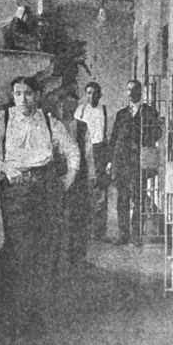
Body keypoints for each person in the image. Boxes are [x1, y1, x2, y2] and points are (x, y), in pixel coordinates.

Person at [0, 75, 80, 325]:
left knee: (47, 249)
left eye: (28, 93)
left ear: (38, 95)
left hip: (47, 188)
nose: (23, 99)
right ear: (13, 96)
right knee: (20, 251)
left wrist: (69, 177)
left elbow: (72, 150)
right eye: (18, 93)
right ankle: (20, 315)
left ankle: (43, 312)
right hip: (16, 191)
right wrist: (6, 169)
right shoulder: (2, 119)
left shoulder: (49, 122)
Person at [44, 89, 96, 268]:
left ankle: (78, 258)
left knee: (79, 217)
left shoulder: (82, 127)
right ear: (60, 105)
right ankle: (56, 260)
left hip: (79, 179)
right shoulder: (50, 125)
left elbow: (88, 154)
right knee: (55, 219)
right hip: (55, 177)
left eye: (73, 106)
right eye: (66, 105)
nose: (69, 109)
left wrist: (91, 177)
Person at [106, 79, 161, 247]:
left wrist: (144, 141)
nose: (130, 93)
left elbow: (157, 133)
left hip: (139, 161)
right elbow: (114, 137)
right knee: (122, 198)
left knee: (138, 198)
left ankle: (136, 234)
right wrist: (110, 161)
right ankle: (123, 234)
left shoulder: (149, 112)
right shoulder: (121, 114)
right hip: (122, 161)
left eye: (134, 90)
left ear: (140, 92)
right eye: (128, 90)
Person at [74, 81, 109, 240]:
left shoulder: (104, 110)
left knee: (100, 190)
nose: (91, 96)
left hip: (99, 151)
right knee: (84, 190)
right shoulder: (80, 110)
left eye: (94, 93)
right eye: (88, 93)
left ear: (99, 95)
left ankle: (99, 231)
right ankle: (85, 229)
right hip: (84, 151)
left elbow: (107, 135)